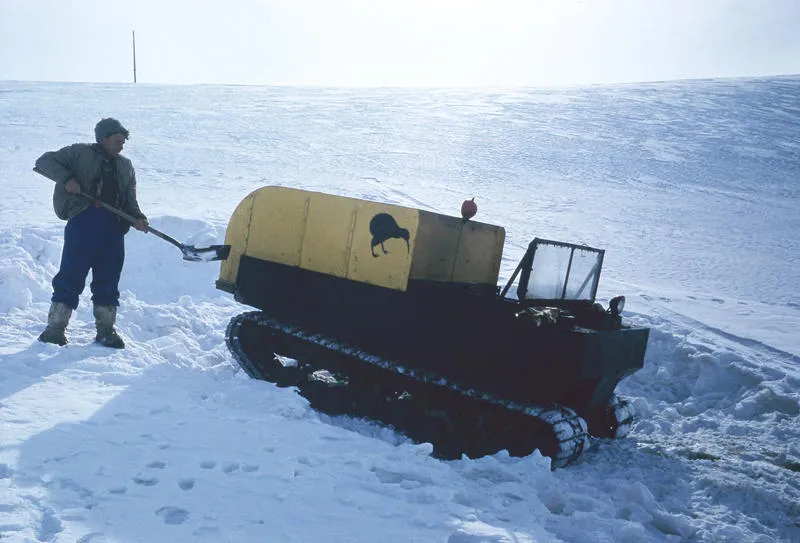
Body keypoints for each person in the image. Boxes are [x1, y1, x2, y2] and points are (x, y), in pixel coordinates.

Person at [35, 118, 149, 349]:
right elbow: (45, 161)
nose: (121, 145)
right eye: (118, 140)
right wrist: (67, 180)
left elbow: (129, 199)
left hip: (114, 229)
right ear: (103, 138)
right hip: (83, 224)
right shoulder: (79, 153)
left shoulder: (125, 166)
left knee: (108, 280)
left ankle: (106, 331)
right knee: (71, 276)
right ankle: (54, 329)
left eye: (123, 141)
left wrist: (138, 217)